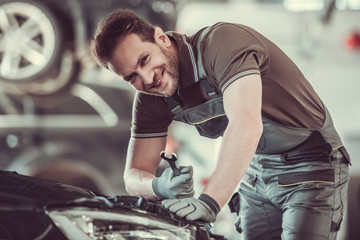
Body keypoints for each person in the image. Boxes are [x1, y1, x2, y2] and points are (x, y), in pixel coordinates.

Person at [90, 9, 350, 240]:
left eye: (144, 60)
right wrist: (158, 186)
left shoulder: (222, 44)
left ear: (161, 38)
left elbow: (246, 124)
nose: (147, 79)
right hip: (256, 173)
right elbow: (132, 175)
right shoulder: (150, 99)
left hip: (312, 164)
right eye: (131, 77)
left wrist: (209, 202)